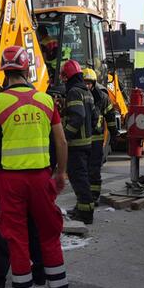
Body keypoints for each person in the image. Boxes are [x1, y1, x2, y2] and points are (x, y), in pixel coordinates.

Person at [0, 45, 70, 288]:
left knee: (17, 240)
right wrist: (61, 174)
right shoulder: (46, 100)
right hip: (42, 179)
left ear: (4, 73)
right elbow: (62, 142)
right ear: (27, 69)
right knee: (49, 237)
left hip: (9, 182)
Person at [61, 60, 97, 224]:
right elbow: (94, 116)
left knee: (79, 179)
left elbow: (78, 116)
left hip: (77, 145)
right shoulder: (86, 92)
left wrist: (65, 136)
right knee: (83, 178)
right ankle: (81, 208)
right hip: (87, 143)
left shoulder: (74, 92)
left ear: (68, 76)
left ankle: (85, 213)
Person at [82, 68, 119, 206]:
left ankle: (94, 195)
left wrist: (114, 133)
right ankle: (85, 194)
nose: (87, 85)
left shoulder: (102, 98)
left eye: (89, 83)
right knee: (83, 170)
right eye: (84, 82)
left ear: (93, 83)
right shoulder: (78, 95)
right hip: (82, 140)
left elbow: (110, 116)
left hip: (96, 140)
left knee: (94, 170)